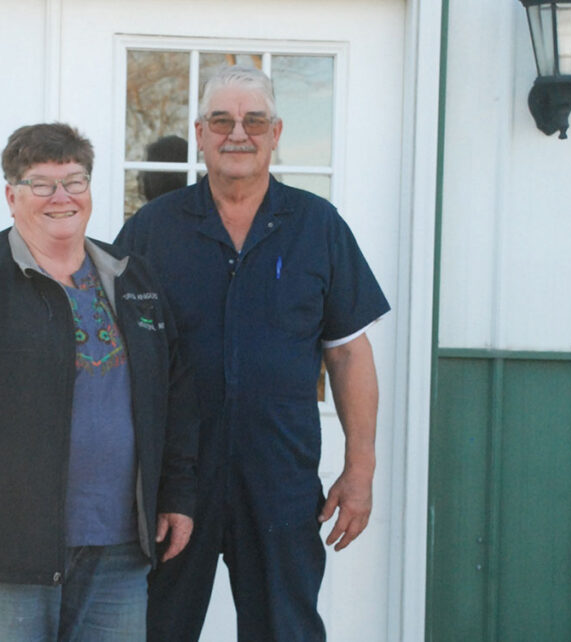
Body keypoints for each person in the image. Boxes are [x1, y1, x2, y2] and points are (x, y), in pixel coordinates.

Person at [0, 122, 198, 641]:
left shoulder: (133, 279)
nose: (61, 197)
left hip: (119, 550)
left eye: (74, 182)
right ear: (12, 196)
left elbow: (174, 395)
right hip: (0, 551)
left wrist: (177, 494)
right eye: (42, 184)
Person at [116, 66, 390, 641]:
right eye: (221, 120)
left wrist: (359, 467)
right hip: (175, 483)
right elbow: (116, 358)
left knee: (284, 630)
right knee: (154, 630)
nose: (237, 133)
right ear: (199, 132)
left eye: (254, 120)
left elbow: (347, 355)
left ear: (276, 131)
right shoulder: (152, 232)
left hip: (280, 480)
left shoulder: (317, 226)